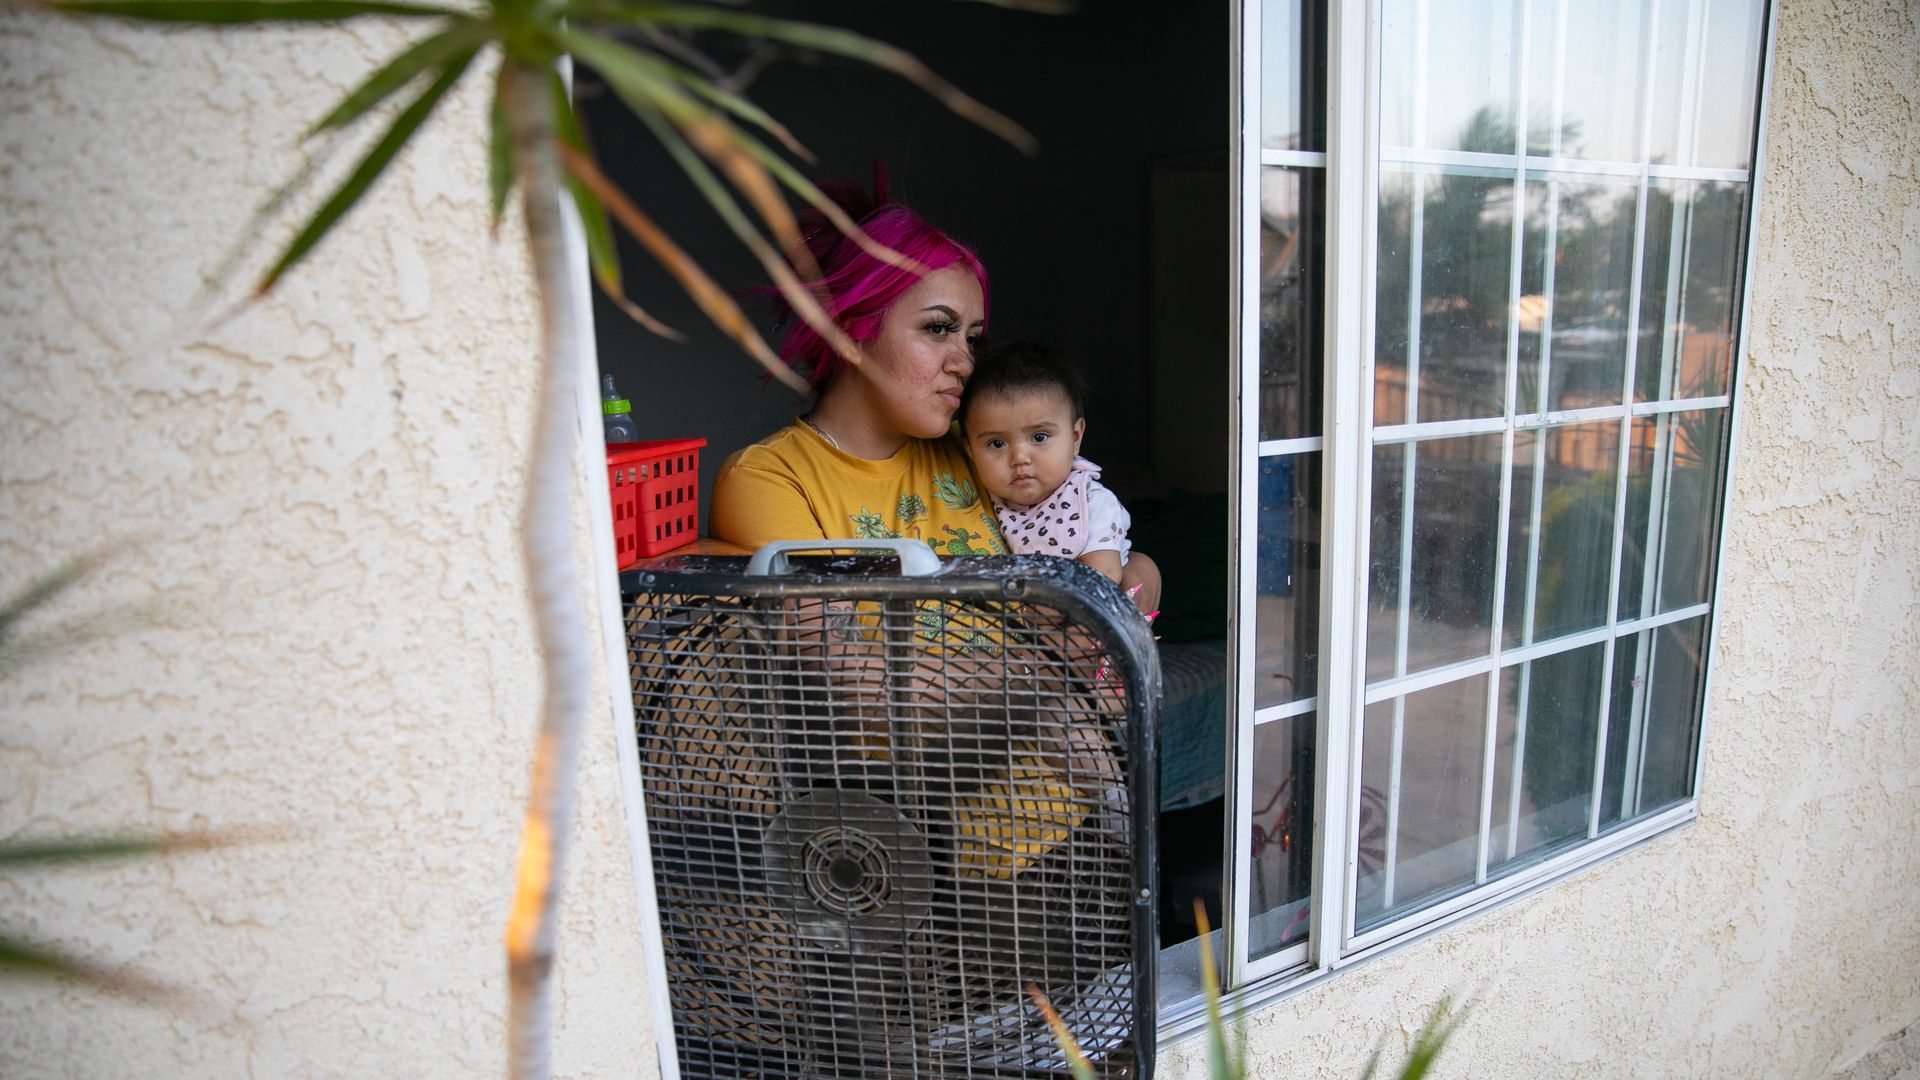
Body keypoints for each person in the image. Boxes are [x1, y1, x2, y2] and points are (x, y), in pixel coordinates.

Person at [959, 342, 1154, 606]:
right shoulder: (985, 500)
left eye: (1039, 437)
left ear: (1075, 437)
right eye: (997, 443)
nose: (1019, 458)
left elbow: (1104, 577)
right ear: (970, 451)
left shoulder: (1091, 502)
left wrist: (1038, 611)